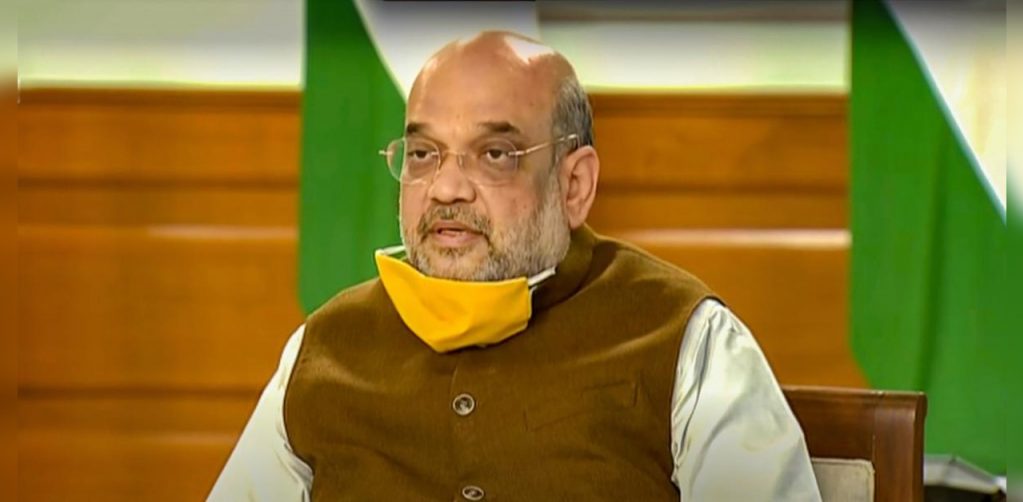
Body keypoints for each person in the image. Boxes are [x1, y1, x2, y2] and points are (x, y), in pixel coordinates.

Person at [209, 31, 821, 501]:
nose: (446, 187)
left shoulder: (686, 338)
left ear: (574, 185)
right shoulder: (323, 349)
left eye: (495, 154)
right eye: (422, 153)